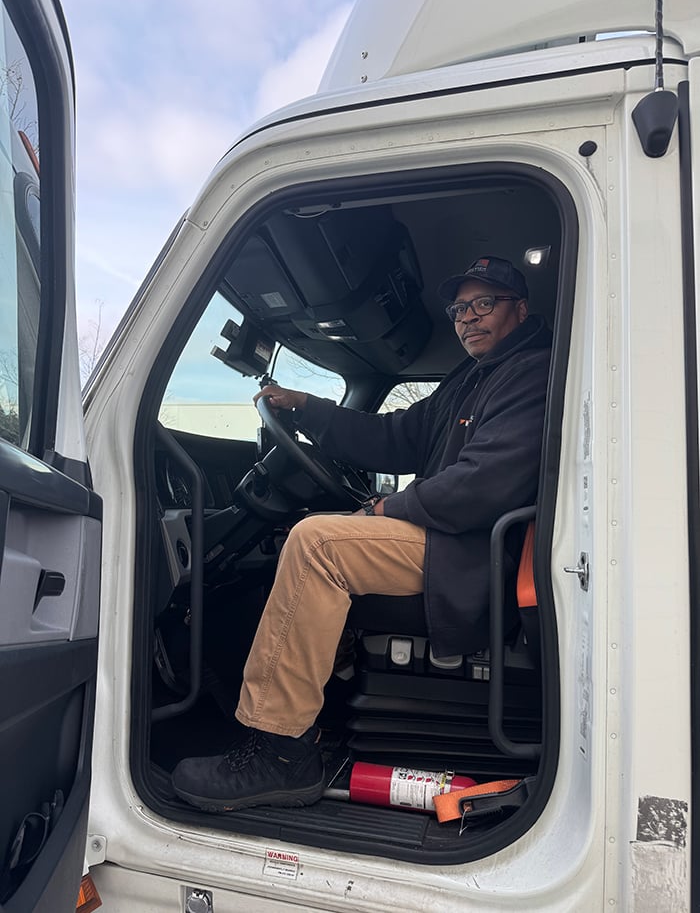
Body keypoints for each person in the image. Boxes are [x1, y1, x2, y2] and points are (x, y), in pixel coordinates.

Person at [172, 255, 552, 812]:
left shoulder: (531, 374)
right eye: (459, 309)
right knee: (322, 535)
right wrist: (307, 408)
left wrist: (389, 507)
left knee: (316, 546)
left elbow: (483, 485)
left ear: (519, 309)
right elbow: (394, 436)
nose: (468, 318)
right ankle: (325, 701)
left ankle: (281, 755)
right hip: (452, 540)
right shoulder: (470, 379)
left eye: (484, 304)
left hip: (471, 554)